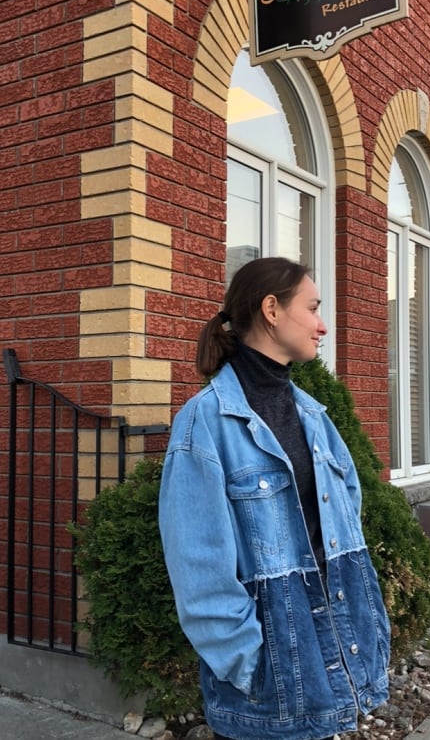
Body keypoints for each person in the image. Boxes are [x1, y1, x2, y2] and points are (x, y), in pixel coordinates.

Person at [158, 257, 390, 740]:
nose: (322, 325)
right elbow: (197, 568)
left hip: (331, 660)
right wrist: (253, 668)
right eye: (313, 308)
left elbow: (345, 520)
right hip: (269, 686)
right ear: (271, 309)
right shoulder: (205, 423)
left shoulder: (313, 415)